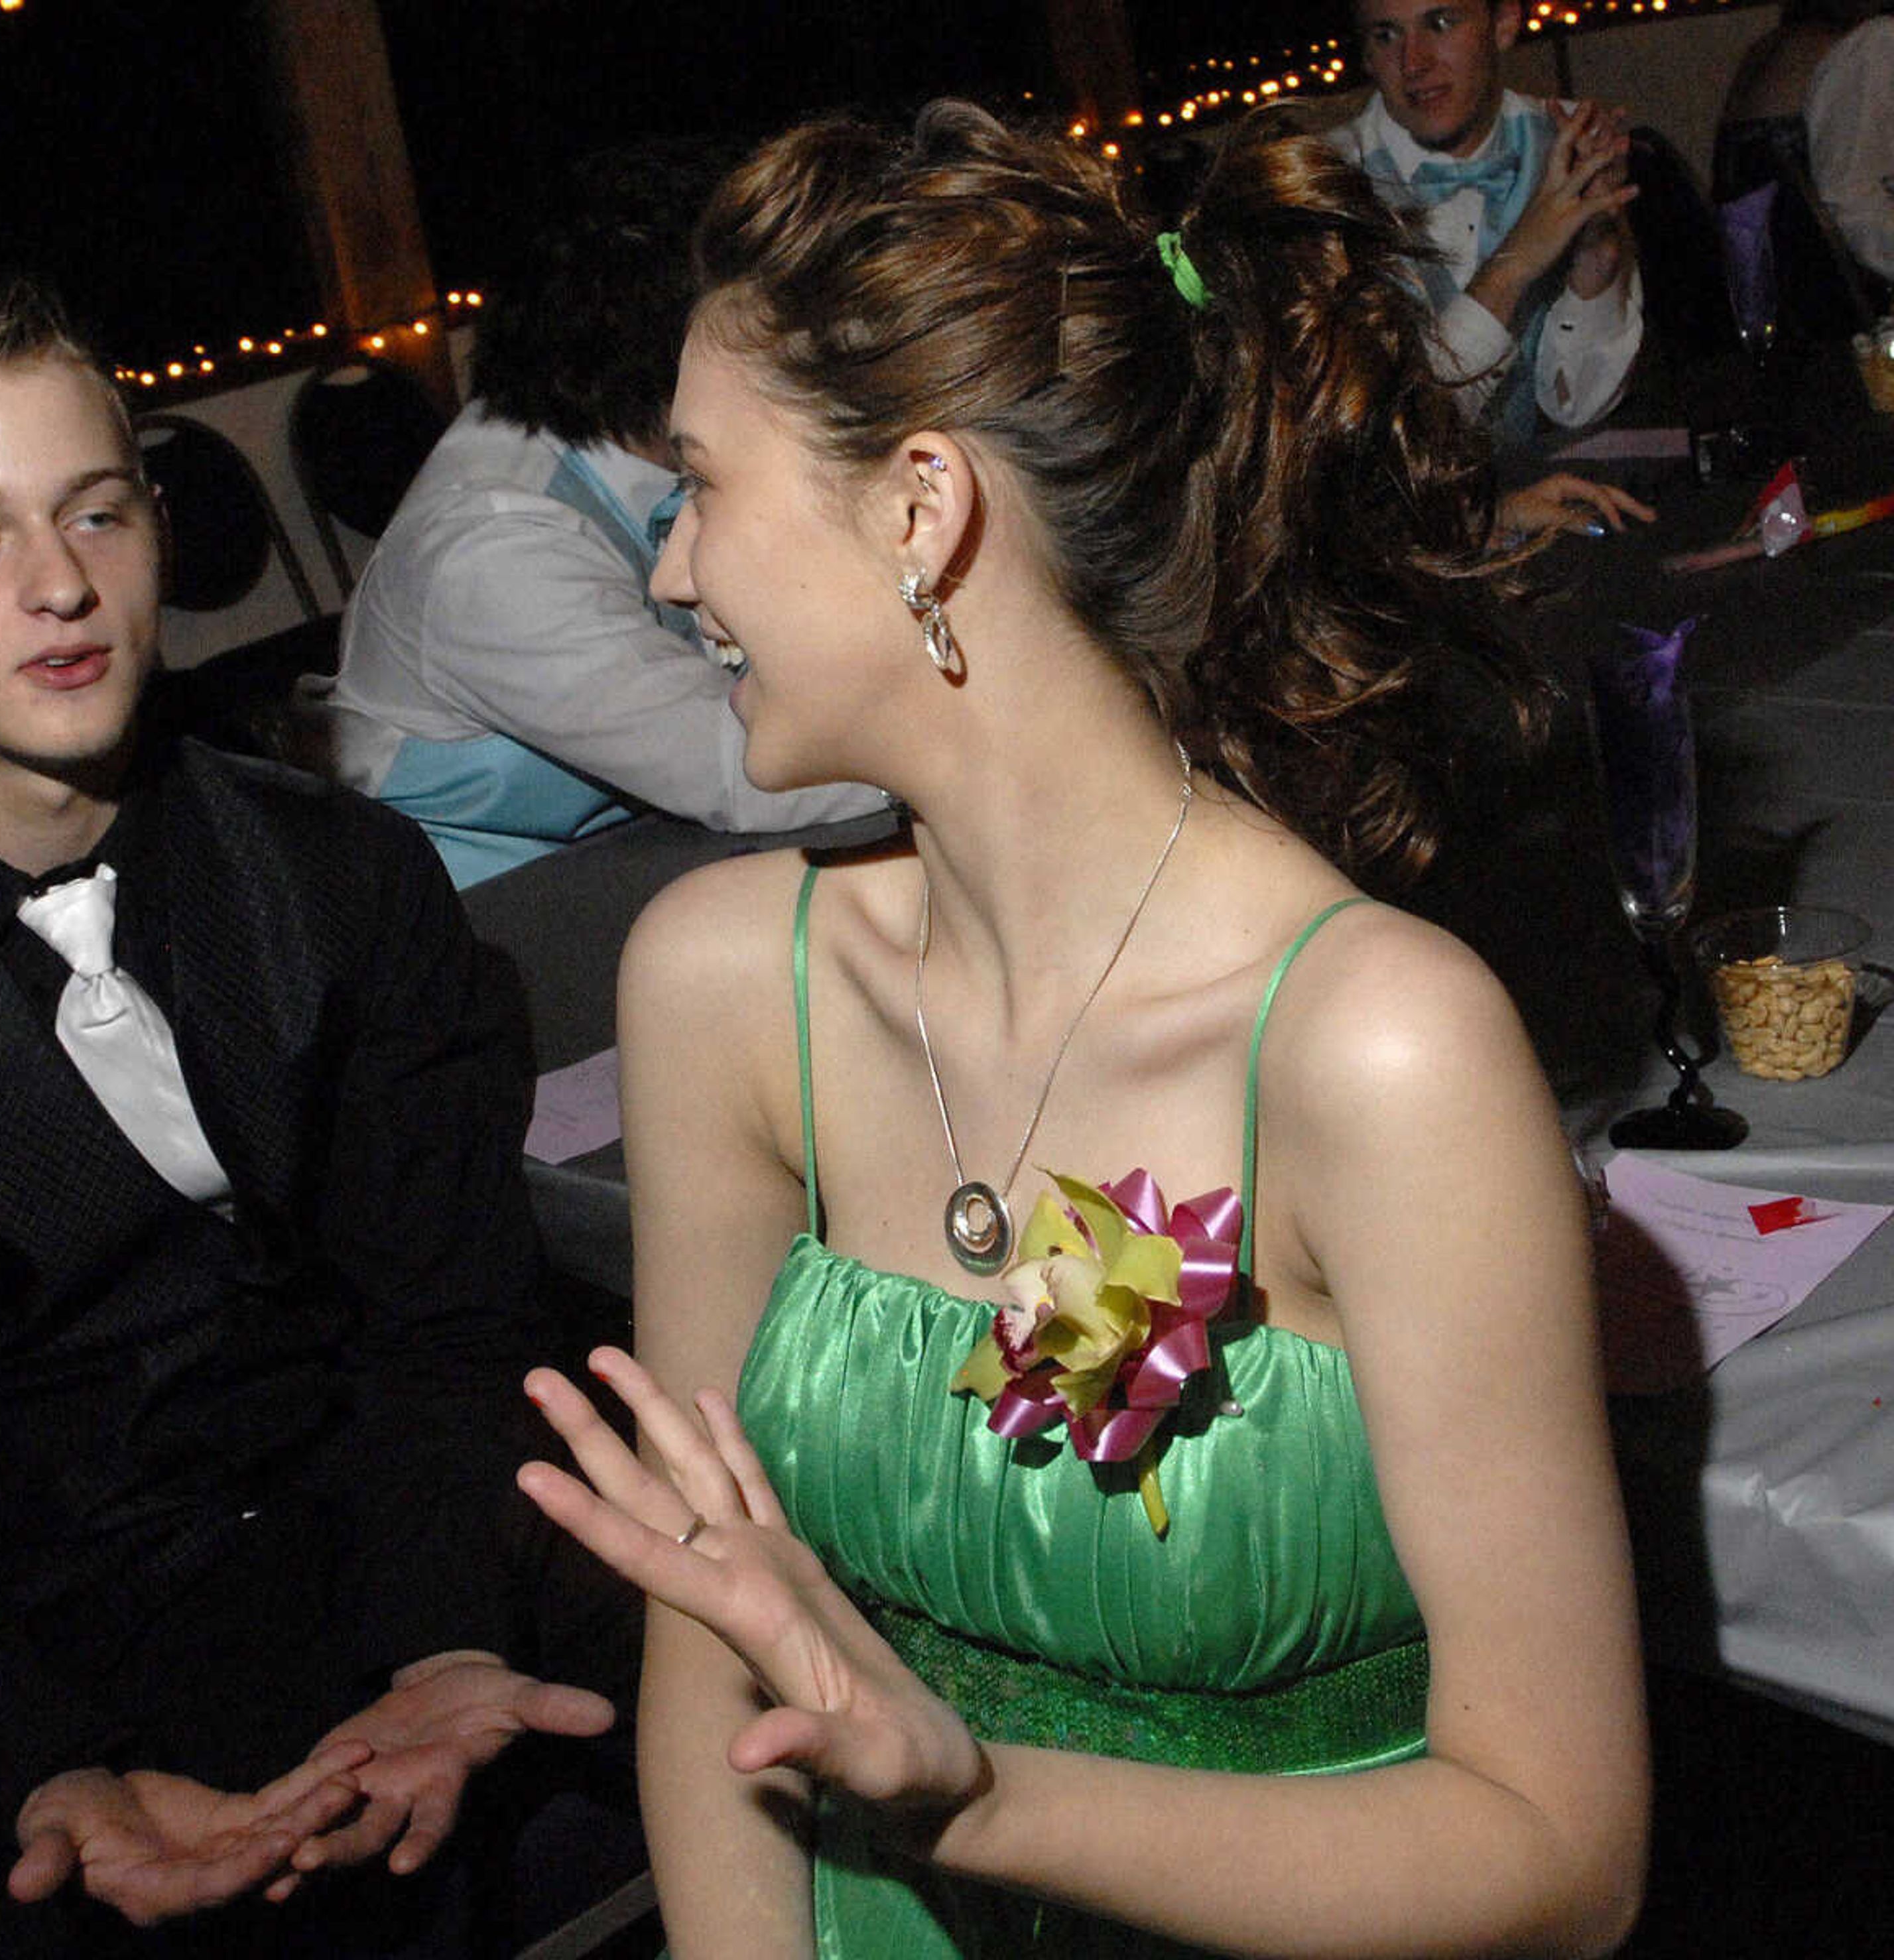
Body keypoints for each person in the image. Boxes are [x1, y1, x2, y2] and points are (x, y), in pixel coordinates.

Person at [512, 101, 1649, 1956]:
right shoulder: (723, 987)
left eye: (703, 488)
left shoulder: (1372, 1051)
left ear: (921, 511)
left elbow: (1562, 1852)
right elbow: (706, 1653)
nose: (671, 575)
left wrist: (976, 1792)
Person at [0, 261, 627, 1957]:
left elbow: (445, 1316)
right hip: (40, 1620)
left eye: (96, 512)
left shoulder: (342, 874)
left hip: (387, 1501)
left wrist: (443, 1632)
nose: (62, 586)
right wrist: (44, 1765)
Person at [310, 143, 886, 888]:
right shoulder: (493, 552)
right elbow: (742, 771)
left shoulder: (590, 416)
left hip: (639, 844)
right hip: (494, 910)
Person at [1327, 0, 1643, 450]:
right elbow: (1391, 443)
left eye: (1440, 23)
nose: (1413, 63)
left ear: (1504, 24)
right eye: (1386, 35)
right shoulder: (1324, 185)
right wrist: (1515, 265)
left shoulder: (1565, 143)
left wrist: (1599, 255)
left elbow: (1579, 408)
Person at [1714, 0, 1893, 336]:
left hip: (1763, 284)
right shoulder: (1869, 47)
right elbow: (1852, 203)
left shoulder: (1779, 46)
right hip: (1816, 296)